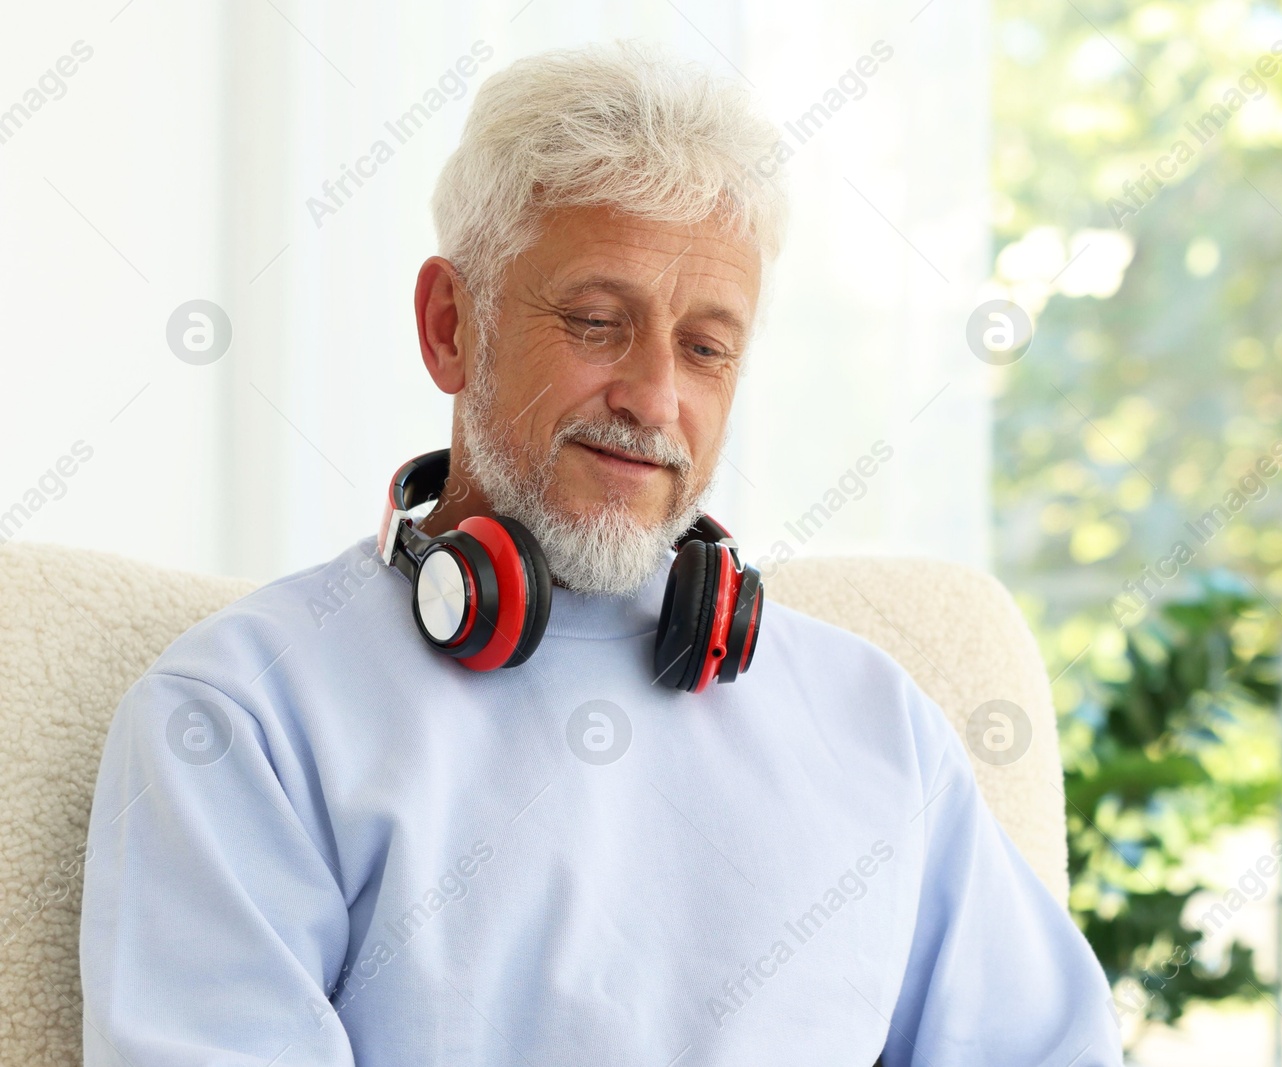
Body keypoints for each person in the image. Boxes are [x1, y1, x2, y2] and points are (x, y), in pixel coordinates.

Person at [78, 39, 1122, 1066]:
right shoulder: (238, 715)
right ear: (451, 325)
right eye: (595, 321)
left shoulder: (879, 722)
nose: (655, 398)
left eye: (706, 347)